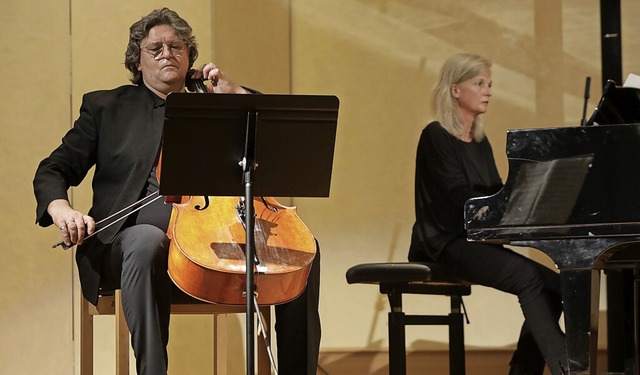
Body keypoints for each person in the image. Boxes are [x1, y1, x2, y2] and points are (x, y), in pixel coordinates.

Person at [33, 8, 320, 375]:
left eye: (176, 46)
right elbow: (53, 169)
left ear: (189, 56)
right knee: (146, 241)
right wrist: (61, 209)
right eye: (155, 49)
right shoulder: (107, 108)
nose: (167, 53)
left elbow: (281, 140)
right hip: (126, 248)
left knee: (301, 250)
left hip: (214, 246)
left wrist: (234, 94)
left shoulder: (217, 103)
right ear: (137, 61)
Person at [408, 53, 568, 375]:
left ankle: (524, 369)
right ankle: (567, 367)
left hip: (476, 240)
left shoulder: (479, 141)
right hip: (446, 241)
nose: (488, 91)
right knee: (527, 278)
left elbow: (494, 191)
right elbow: (459, 197)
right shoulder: (436, 135)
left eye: (490, 84)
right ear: (455, 90)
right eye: (479, 83)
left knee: (556, 286)